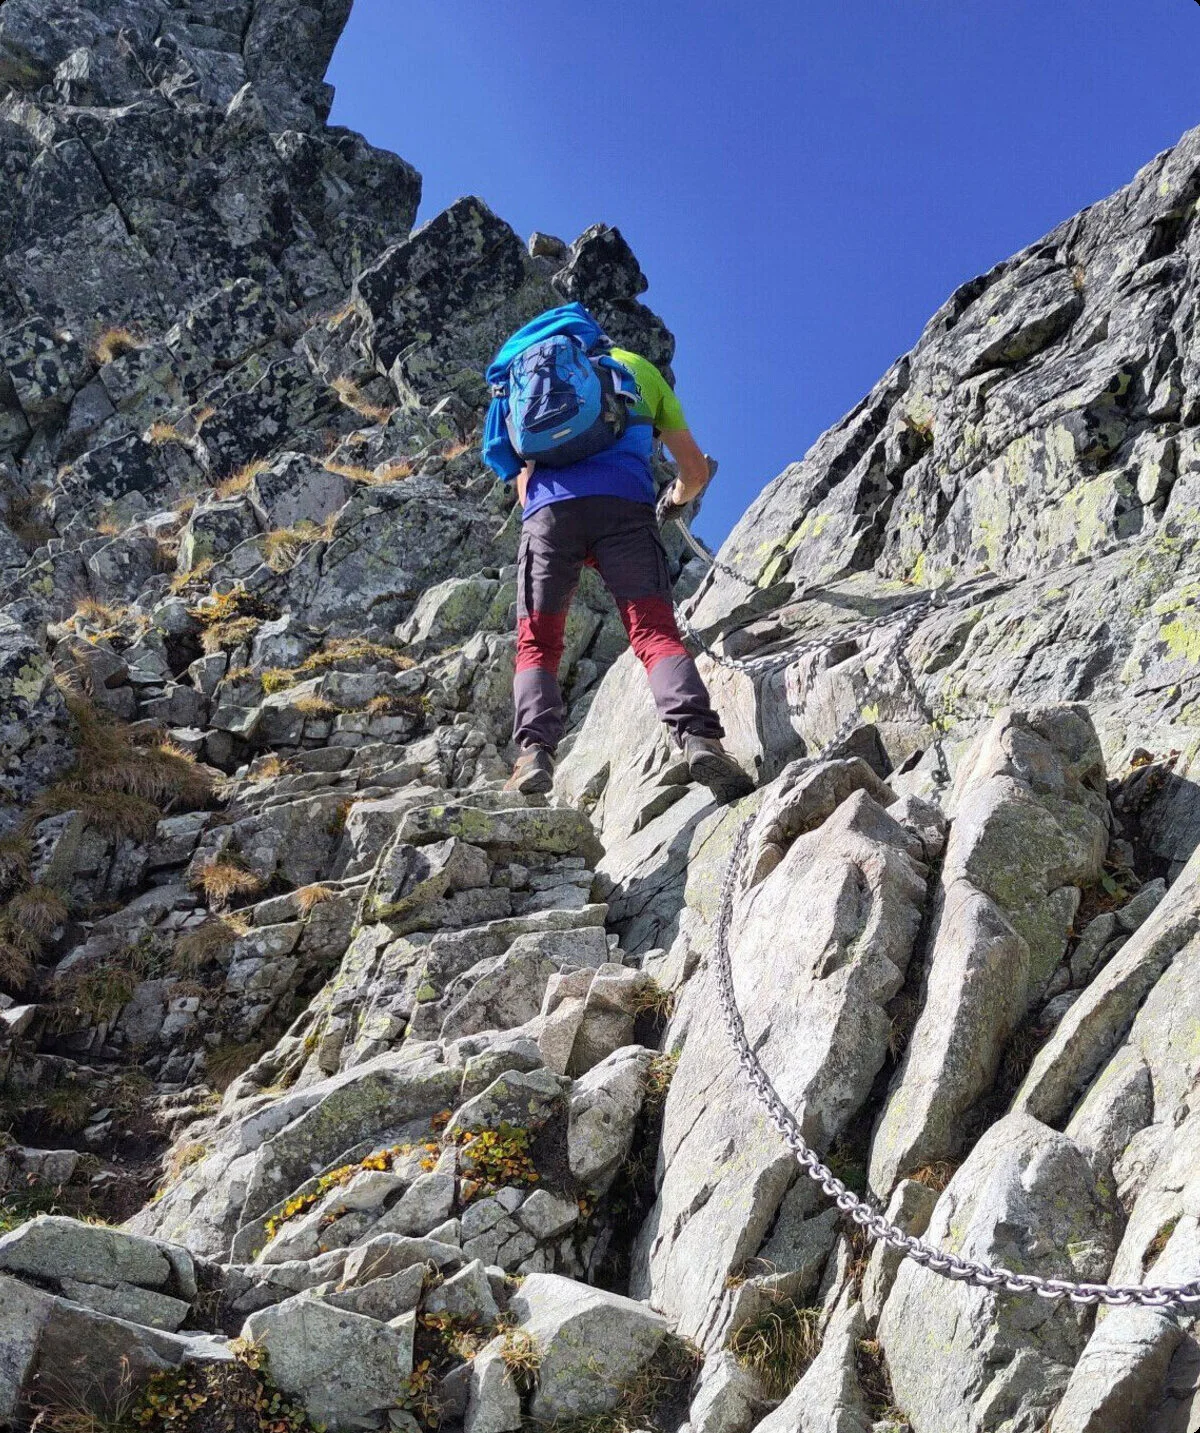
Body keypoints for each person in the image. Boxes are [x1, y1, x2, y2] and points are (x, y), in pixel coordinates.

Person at [483, 303, 754, 802]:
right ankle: (699, 738)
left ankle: (533, 756)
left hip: (549, 516)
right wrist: (673, 502)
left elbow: (518, 477)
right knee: (653, 632)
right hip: (627, 509)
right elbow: (693, 470)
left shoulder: (515, 386)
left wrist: (563, 524)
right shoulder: (638, 368)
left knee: (537, 641)